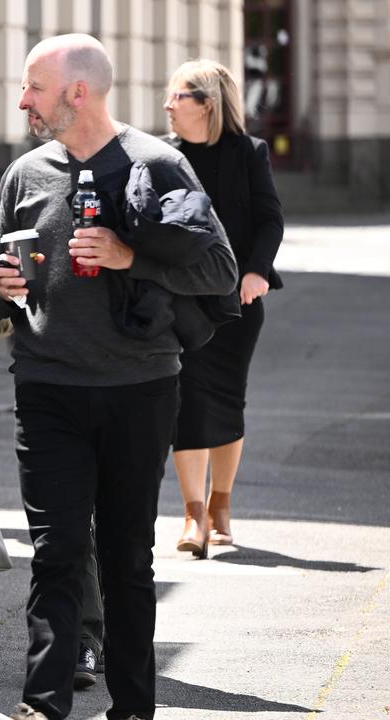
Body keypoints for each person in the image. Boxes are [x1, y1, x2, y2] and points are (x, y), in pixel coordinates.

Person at [0, 35, 237, 720]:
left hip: (138, 389)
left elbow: (220, 272)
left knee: (125, 557)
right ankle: (43, 704)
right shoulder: (24, 174)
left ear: (77, 92)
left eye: (34, 87)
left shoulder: (159, 164)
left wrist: (130, 257)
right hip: (48, 389)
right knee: (57, 552)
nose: (23, 100)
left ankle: (134, 708)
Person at [164, 58, 284, 556]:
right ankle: (193, 515)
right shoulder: (164, 157)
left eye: (178, 96)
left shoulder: (249, 153)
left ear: (206, 104)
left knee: (229, 399)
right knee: (186, 401)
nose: (168, 105)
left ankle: (221, 506)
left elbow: (270, 219)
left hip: (237, 300)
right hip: (181, 301)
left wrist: (257, 271)